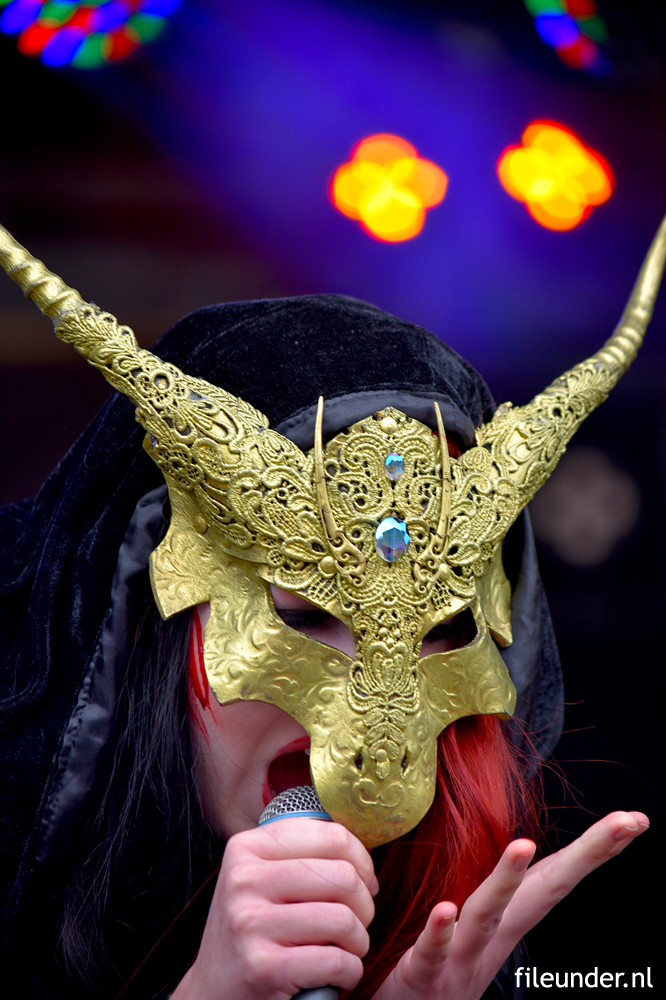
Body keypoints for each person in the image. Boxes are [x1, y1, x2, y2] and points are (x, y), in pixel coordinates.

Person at [0, 218, 661, 1000]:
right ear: (160, 603)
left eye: (439, 629)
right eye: (307, 617)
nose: (376, 716)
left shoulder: (511, 948)